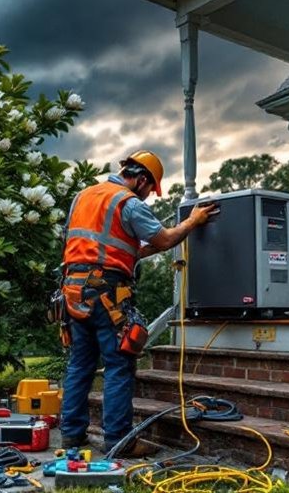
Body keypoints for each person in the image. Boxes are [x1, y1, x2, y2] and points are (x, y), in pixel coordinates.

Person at [58, 150, 219, 456]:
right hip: (106, 292)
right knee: (119, 362)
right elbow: (165, 239)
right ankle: (120, 441)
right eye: (149, 191)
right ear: (142, 180)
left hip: (74, 290)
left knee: (80, 363)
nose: (147, 197)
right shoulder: (127, 203)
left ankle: (71, 435)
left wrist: (143, 250)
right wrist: (194, 221)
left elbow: (106, 248)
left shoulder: (83, 197)